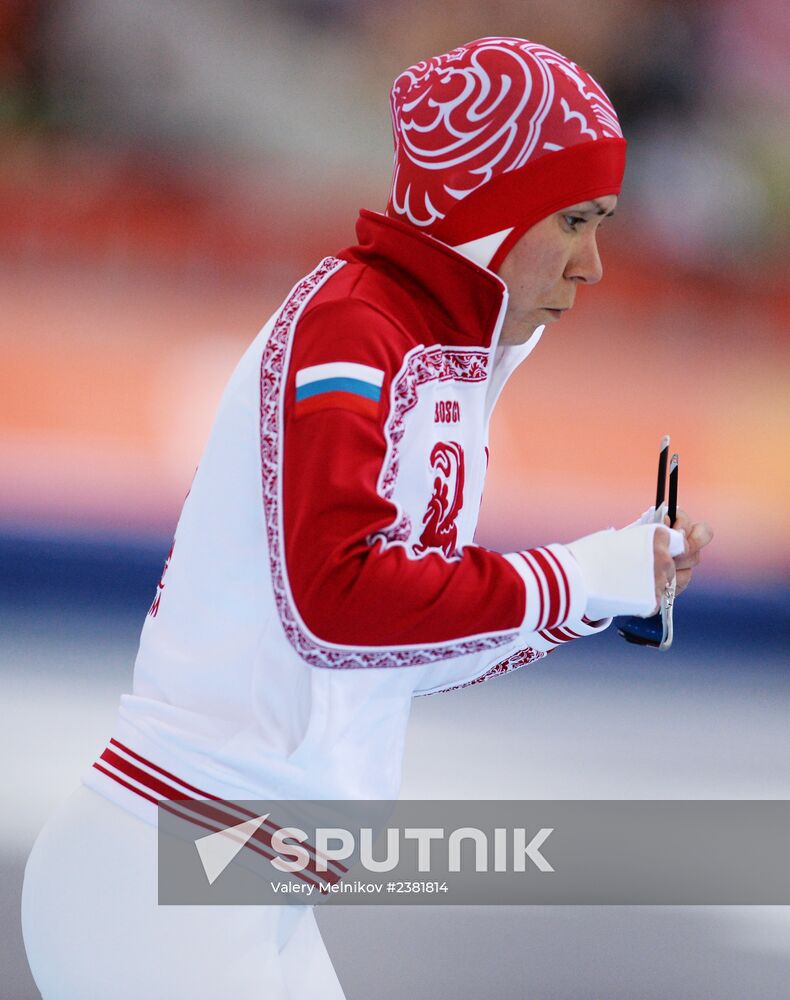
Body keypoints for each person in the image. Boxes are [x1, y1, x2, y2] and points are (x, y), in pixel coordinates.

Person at [22, 36, 712, 999]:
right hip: (172, 872)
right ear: (490, 216)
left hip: (231, 880)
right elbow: (337, 600)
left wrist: (605, 593)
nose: (594, 265)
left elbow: (384, 653)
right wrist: (579, 575)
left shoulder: (429, 349)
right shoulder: (356, 327)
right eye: (575, 219)